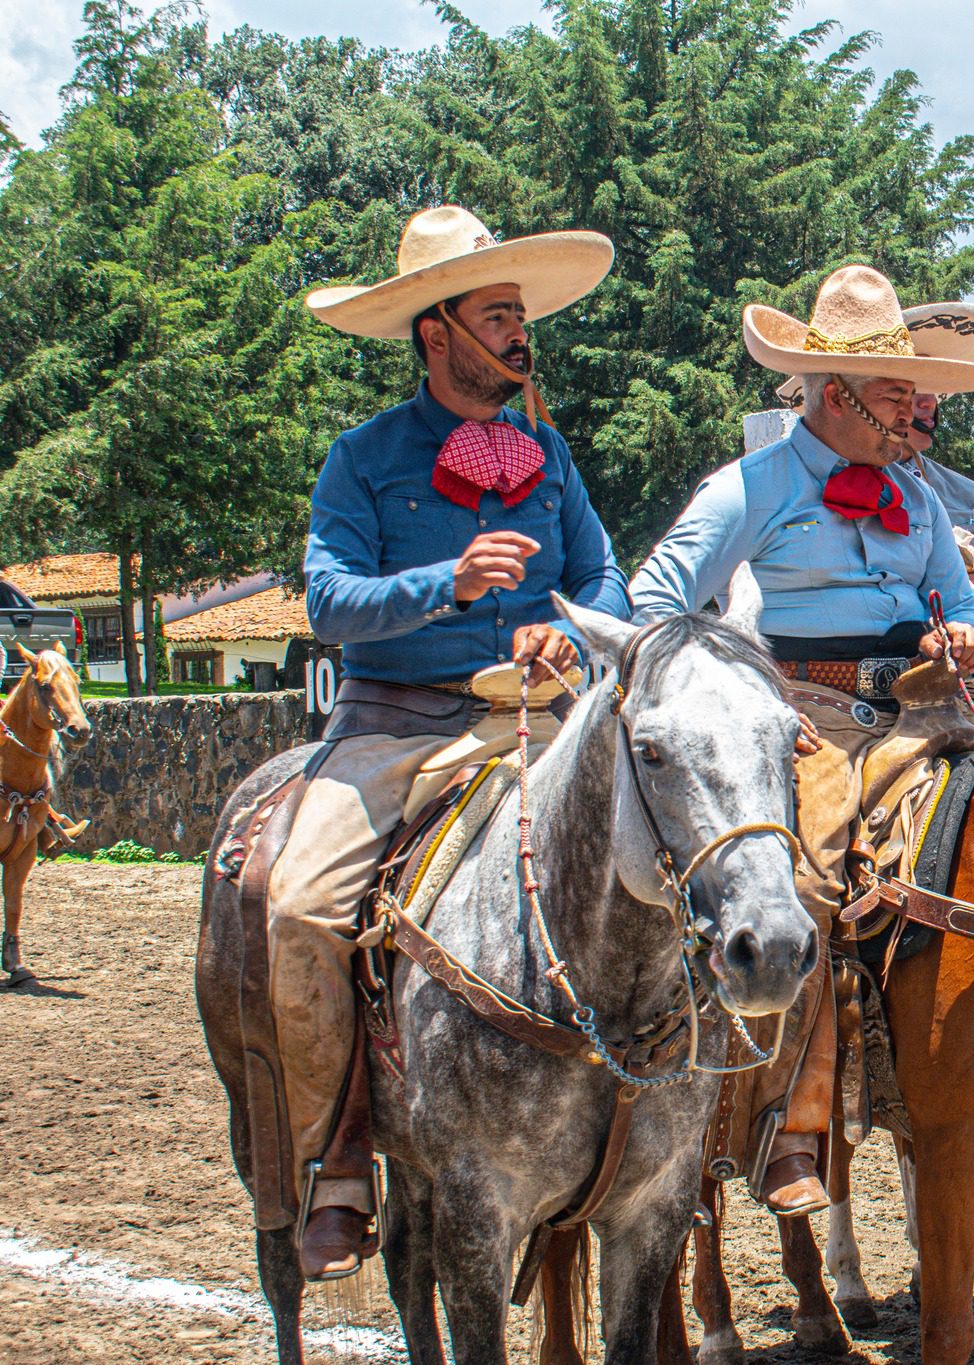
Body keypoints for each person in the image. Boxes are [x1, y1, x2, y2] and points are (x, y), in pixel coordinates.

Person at [278, 205, 629, 1278]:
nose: (520, 335)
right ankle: (334, 1159)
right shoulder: (362, 458)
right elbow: (329, 603)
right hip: (394, 724)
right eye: (498, 316)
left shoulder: (551, 455)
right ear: (438, 334)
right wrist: (449, 584)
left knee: (671, 865)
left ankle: (666, 1136)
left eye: (521, 314)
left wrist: (560, 629)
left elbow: (602, 579)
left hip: (533, 723)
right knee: (297, 912)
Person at [630, 264, 974, 1216]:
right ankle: (789, 1122)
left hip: (923, 708)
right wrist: (744, 697)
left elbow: (959, 600)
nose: (914, 410)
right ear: (837, 395)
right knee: (812, 880)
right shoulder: (749, 485)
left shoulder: (916, 498)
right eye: (895, 394)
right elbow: (654, 604)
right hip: (804, 714)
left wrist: (962, 632)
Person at [780, 301, 974, 640]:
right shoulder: (790, 480)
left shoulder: (965, 496)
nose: (925, 402)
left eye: (928, 387)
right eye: (901, 391)